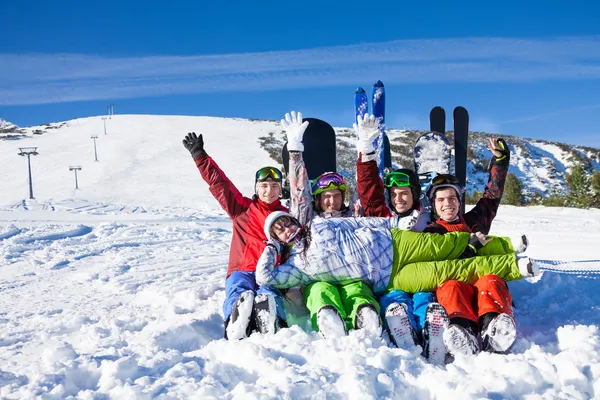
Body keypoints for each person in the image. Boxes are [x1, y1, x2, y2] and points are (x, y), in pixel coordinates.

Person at [255, 211, 537, 304]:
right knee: (451, 270)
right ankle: (514, 266)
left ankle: (507, 244)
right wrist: (271, 249)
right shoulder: (298, 267)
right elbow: (264, 277)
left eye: (286, 222)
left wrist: (393, 224)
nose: (287, 229)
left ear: (294, 220)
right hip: (389, 278)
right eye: (279, 231)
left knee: (449, 245)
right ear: (278, 239)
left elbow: (360, 221)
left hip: (396, 243)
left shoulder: (319, 223)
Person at [354, 114, 447, 362]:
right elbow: (368, 189)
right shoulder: (382, 215)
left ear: (414, 194)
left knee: (424, 298)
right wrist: (366, 151)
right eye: (394, 194)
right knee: (394, 301)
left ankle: (431, 329)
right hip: (392, 280)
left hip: (421, 278)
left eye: (404, 193)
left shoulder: (428, 218)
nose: (398, 199)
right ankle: (402, 326)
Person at [281, 111, 382, 339]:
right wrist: (295, 149)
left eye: (336, 195)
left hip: (352, 275)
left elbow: (364, 189)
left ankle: (364, 315)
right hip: (319, 276)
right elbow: (298, 191)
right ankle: (328, 317)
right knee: (320, 291)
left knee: (357, 291)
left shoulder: (352, 216)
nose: (331, 200)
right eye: (326, 196)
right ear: (317, 199)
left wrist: (365, 148)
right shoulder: (308, 218)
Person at [182, 132, 288, 340]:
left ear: (280, 189)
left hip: (272, 273)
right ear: (257, 189)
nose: (269, 191)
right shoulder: (242, 209)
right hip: (243, 269)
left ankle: (271, 319)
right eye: (264, 186)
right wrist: (200, 156)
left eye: (274, 186)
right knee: (239, 288)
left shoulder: (286, 216)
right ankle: (235, 320)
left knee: (271, 293)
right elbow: (220, 185)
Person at [422, 138, 522, 356]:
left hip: (481, 284)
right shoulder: (431, 232)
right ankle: (463, 332)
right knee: (450, 286)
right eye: (441, 200)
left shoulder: (474, 222)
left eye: (452, 198)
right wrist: (470, 248)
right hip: (456, 285)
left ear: (459, 200)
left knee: (491, 280)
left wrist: (500, 160)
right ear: (434, 204)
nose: (447, 203)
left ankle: (494, 330)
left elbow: (492, 196)